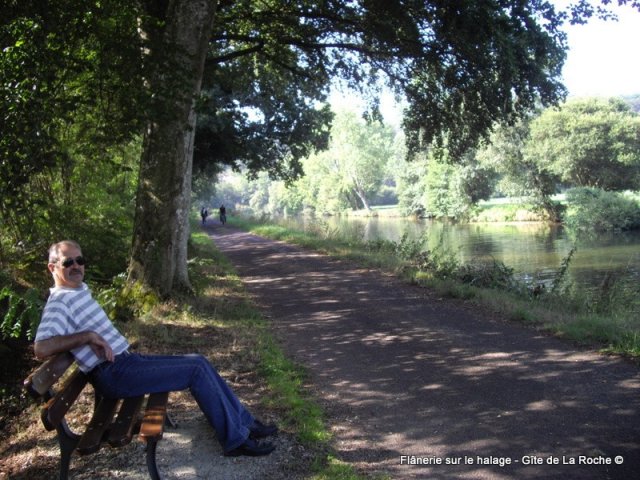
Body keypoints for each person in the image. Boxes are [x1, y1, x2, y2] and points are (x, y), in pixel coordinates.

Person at [34, 240, 277, 457]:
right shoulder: (59, 302)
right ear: (52, 267)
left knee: (199, 361)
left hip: (125, 363)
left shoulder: (76, 291)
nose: (76, 266)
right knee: (195, 370)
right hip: (113, 373)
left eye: (80, 260)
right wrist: (87, 336)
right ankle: (235, 441)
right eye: (68, 262)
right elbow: (41, 348)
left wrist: (91, 337)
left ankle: (246, 424)